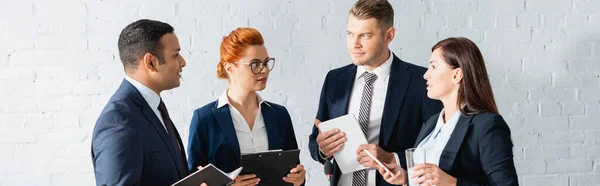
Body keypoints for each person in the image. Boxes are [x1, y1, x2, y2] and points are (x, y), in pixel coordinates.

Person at [308, 0, 442, 185]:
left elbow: (437, 147)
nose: (354, 44)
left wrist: (392, 158)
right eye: (350, 34)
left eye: (365, 35)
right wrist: (322, 149)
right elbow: (315, 143)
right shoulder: (335, 79)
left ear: (389, 35)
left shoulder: (421, 81)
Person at [378, 37, 519, 186]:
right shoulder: (432, 123)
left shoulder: (487, 125)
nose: (426, 75)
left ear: (456, 75)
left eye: (433, 66)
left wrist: (452, 183)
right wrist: (407, 179)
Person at [91, 19, 206, 186]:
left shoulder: (153, 107)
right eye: (175, 55)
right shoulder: (118, 122)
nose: (183, 62)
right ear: (150, 62)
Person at [187, 27, 306, 186]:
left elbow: (294, 172)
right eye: (255, 64)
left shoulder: (279, 115)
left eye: (266, 63)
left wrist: (299, 179)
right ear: (230, 67)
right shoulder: (205, 118)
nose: (264, 70)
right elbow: (193, 180)